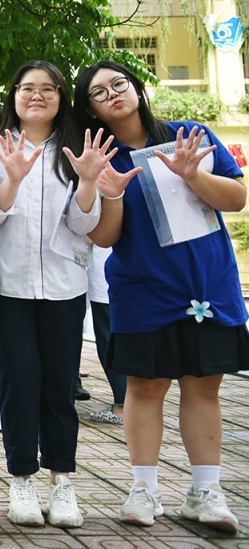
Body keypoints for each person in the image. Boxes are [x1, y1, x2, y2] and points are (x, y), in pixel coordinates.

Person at [75, 60, 248, 533]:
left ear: (135, 87)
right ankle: (143, 490)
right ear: (90, 110)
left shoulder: (189, 135)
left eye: (119, 83)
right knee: (145, 388)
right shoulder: (101, 159)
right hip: (143, 288)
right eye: (99, 92)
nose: (113, 94)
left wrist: (193, 175)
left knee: (203, 383)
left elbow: (236, 198)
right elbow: (106, 238)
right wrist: (108, 192)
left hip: (206, 284)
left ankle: (206, 492)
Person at [0, 61, 107, 528]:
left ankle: (63, 481)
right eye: (27, 88)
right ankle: (21, 479)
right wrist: (10, 177)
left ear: (61, 97)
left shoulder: (77, 149)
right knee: (17, 381)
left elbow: (81, 224)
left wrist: (89, 180)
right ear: (13, 95)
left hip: (64, 285)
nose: (37, 96)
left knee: (58, 385)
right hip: (6, 283)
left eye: (48, 88)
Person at [86, 243, 126, 426]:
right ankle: (130, 401)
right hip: (132, 275)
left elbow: (90, 235)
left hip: (107, 273)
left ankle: (122, 405)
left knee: (108, 340)